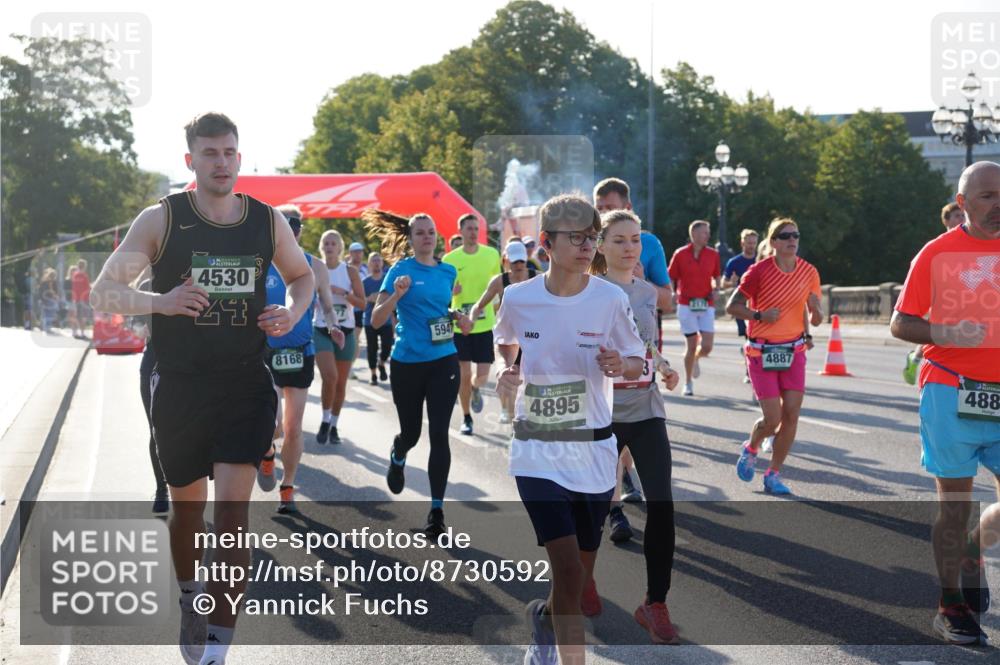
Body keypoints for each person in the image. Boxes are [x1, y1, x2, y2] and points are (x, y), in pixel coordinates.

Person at [90, 112, 315, 665]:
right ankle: (191, 596)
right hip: (180, 384)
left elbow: (302, 276)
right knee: (187, 513)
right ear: (191, 161)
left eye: (230, 152)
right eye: (210, 153)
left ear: (240, 158)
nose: (221, 162)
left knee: (234, 517)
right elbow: (104, 293)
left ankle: (217, 644)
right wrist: (161, 302)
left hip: (244, 383)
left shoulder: (265, 221)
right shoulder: (163, 218)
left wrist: (291, 309)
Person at [494, 194, 645, 665]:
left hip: (595, 453)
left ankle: (542, 619)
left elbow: (638, 359)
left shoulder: (609, 298)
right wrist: (509, 371)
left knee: (575, 578)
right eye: (575, 237)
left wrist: (621, 362)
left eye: (591, 237)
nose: (586, 246)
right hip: (536, 450)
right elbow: (506, 341)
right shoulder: (518, 298)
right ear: (546, 243)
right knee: (563, 564)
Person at [890, 161, 1000, 645]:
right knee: (955, 506)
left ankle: (974, 547)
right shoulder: (936, 254)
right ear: (962, 204)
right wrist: (948, 332)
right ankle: (949, 601)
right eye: (987, 197)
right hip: (950, 387)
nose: (999, 205)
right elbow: (900, 323)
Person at [590, 208, 681, 644]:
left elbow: (644, 342)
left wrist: (663, 366)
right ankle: (580, 582)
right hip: (600, 411)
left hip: (646, 408)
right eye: (621, 240)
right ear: (602, 245)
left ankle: (655, 602)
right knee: (587, 507)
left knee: (662, 503)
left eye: (636, 240)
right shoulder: (587, 291)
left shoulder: (647, 292)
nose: (630, 248)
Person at [365, 209, 472, 538]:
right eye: (420, 233)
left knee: (439, 434)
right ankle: (399, 455)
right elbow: (376, 320)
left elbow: (442, 309)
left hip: (444, 360)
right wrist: (397, 294)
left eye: (431, 232)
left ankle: (437, 510)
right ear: (410, 240)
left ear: (437, 237)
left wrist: (457, 317)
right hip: (408, 362)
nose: (427, 237)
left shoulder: (449, 272)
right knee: (411, 433)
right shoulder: (400, 270)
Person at [593, 177, 675, 504]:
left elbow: (667, 300)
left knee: (660, 497)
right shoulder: (587, 252)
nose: (603, 215)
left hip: (642, 382)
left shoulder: (650, 246)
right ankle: (612, 505)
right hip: (601, 389)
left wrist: (664, 365)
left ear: (627, 207)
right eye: (599, 210)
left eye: (610, 208)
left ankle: (625, 481)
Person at [727, 218, 822, 496]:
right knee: (773, 419)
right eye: (785, 235)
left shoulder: (809, 272)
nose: (792, 239)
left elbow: (816, 319)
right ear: (773, 242)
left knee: (791, 415)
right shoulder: (758, 272)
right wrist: (759, 315)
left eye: (796, 234)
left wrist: (816, 311)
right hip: (761, 351)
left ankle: (773, 473)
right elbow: (732, 306)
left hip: (793, 351)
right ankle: (751, 447)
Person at [258, 205, 343, 514]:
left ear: (300, 230)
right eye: (283, 223)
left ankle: (287, 487)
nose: (290, 229)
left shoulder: (314, 266)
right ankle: (267, 452)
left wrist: (333, 324)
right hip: (265, 352)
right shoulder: (259, 264)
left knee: (293, 428)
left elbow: (328, 305)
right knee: (272, 425)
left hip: (300, 351)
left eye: (295, 224)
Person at [443, 213, 502, 435]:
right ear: (460, 231)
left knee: (483, 376)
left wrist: (501, 312)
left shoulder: (491, 254)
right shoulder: (450, 259)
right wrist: (451, 291)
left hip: (485, 323)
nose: (473, 232)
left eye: (476, 228)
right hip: (461, 326)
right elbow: (441, 294)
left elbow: (498, 288)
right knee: (463, 375)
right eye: (469, 228)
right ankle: (466, 418)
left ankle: (476, 390)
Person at [469, 240, 537, 424]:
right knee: (507, 373)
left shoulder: (538, 278)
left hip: (531, 337)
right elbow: (479, 305)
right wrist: (471, 319)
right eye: (514, 262)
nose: (518, 266)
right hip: (506, 338)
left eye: (521, 261)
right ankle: (506, 410)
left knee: (525, 380)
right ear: (505, 260)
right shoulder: (499, 281)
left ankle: (519, 415)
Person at [903, 202, 968, 385]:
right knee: (939, 334)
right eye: (956, 216)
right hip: (941, 298)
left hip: (963, 298)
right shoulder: (938, 245)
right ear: (946, 221)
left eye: (962, 216)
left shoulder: (971, 241)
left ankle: (914, 359)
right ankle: (916, 361)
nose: (961, 219)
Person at [313, 229, 366, 444]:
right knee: (330, 376)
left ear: (340, 247)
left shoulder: (350, 272)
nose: (329, 246)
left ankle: (334, 424)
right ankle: (325, 420)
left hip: (346, 329)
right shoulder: (314, 269)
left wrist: (342, 293)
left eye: (333, 243)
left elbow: (363, 304)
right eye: (326, 242)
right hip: (321, 328)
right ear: (321, 246)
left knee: (341, 383)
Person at [668, 220, 721, 396]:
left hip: (706, 303)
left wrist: (717, 290)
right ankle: (688, 382)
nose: (708, 235)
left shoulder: (713, 254)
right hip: (686, 304)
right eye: (704, 232)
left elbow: (717, 276)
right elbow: (671, 276)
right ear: (694, 234)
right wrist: (673, 292)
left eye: (708, 232)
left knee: (707, 346)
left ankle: (697, 358)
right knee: (691, 345)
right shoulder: (680, 254)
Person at [724, 229, 759, 383]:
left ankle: (750, 361)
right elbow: (723, 284)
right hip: (741, 307)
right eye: (749, 243)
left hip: (759, 305)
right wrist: (731, 282)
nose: (751, 246)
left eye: (754, 243)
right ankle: (749, 370)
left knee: (755, 338)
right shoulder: (734, 262)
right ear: (742, 243)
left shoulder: (761, 261)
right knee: (750, 337)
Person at [362, 251, 394, 385]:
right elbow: (360, 301)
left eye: (378, 260)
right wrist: (369, 298)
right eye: (373, 260)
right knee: (372, 348)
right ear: (369, 264)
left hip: (386, 320)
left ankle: (381, 363)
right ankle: (373, 374)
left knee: (387, 347)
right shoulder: (365, 282)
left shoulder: (388, 279)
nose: (376, 263)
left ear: (382, 262)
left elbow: (395, 297)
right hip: (370, 320)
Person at [348, 241, 369, 374]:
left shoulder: (365, 269)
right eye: (355, 252)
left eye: (360, 251)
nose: (358, 254)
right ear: (350, 253)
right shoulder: (345, 268)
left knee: (355, 339)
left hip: (359, 309)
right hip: (345, 309)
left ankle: (349, 365)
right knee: (349, 339)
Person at [69, 259, 92, 338]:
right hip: (84, 299)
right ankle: (82, 333)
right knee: (83, 316)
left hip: (75, 298)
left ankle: (74, 332)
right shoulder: (85, 276)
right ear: (84, 266)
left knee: (75, 316)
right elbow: (87, 288)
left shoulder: (75, 275)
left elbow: (74, 287)